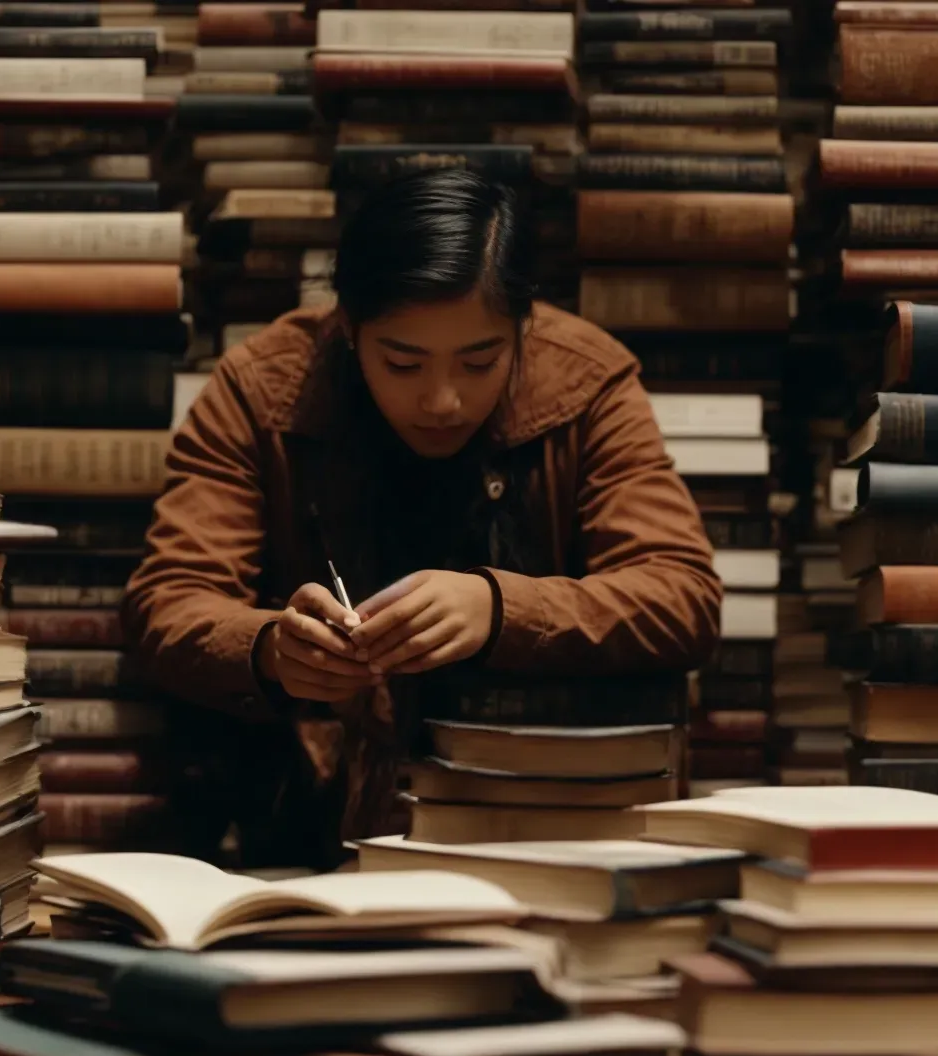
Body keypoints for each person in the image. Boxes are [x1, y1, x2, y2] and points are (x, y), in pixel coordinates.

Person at [123, 169, 723, 867]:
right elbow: (167, 602)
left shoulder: (586, 382)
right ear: (349, 328)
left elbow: (682, 596)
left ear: (523, 328)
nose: (442, 400)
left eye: (480, 361)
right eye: (403, 363)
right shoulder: (260, 388)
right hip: (307, 823)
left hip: (545, 821)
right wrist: (271, 649)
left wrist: (497, 609)